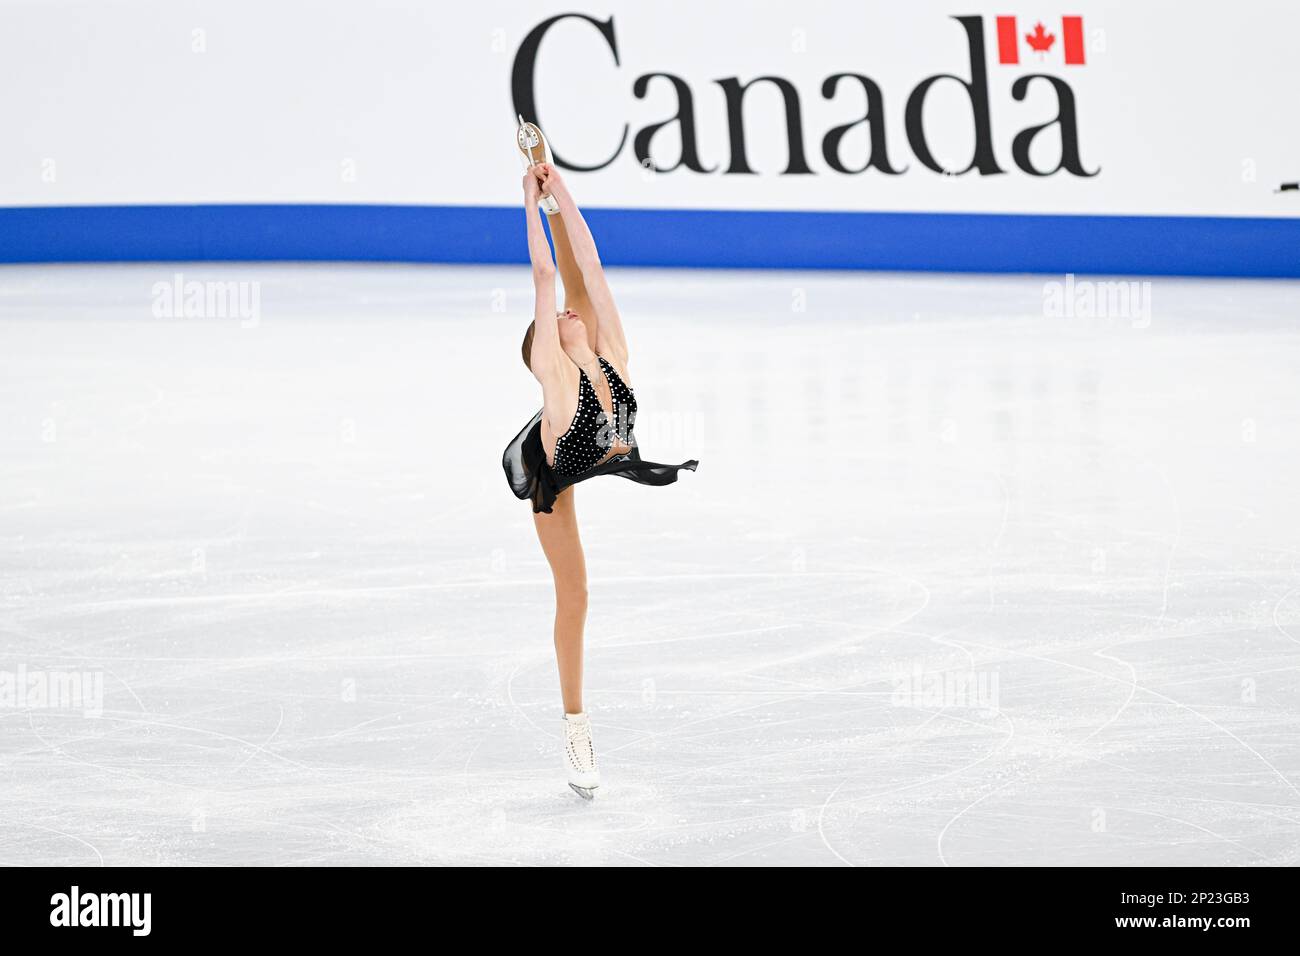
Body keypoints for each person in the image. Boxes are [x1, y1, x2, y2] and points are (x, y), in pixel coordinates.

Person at [502, 145, 697, 800]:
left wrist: (557, 187)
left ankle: (553, 185)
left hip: (609, 450)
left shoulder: (610, 349)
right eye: (552, 324)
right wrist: (526, 200)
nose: (564, 313)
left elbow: (587, 264)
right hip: (556, 467)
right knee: (576, 593)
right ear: (545, 354)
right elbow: (544, 273)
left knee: (587, 282)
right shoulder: (557, 385)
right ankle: (576, 727)